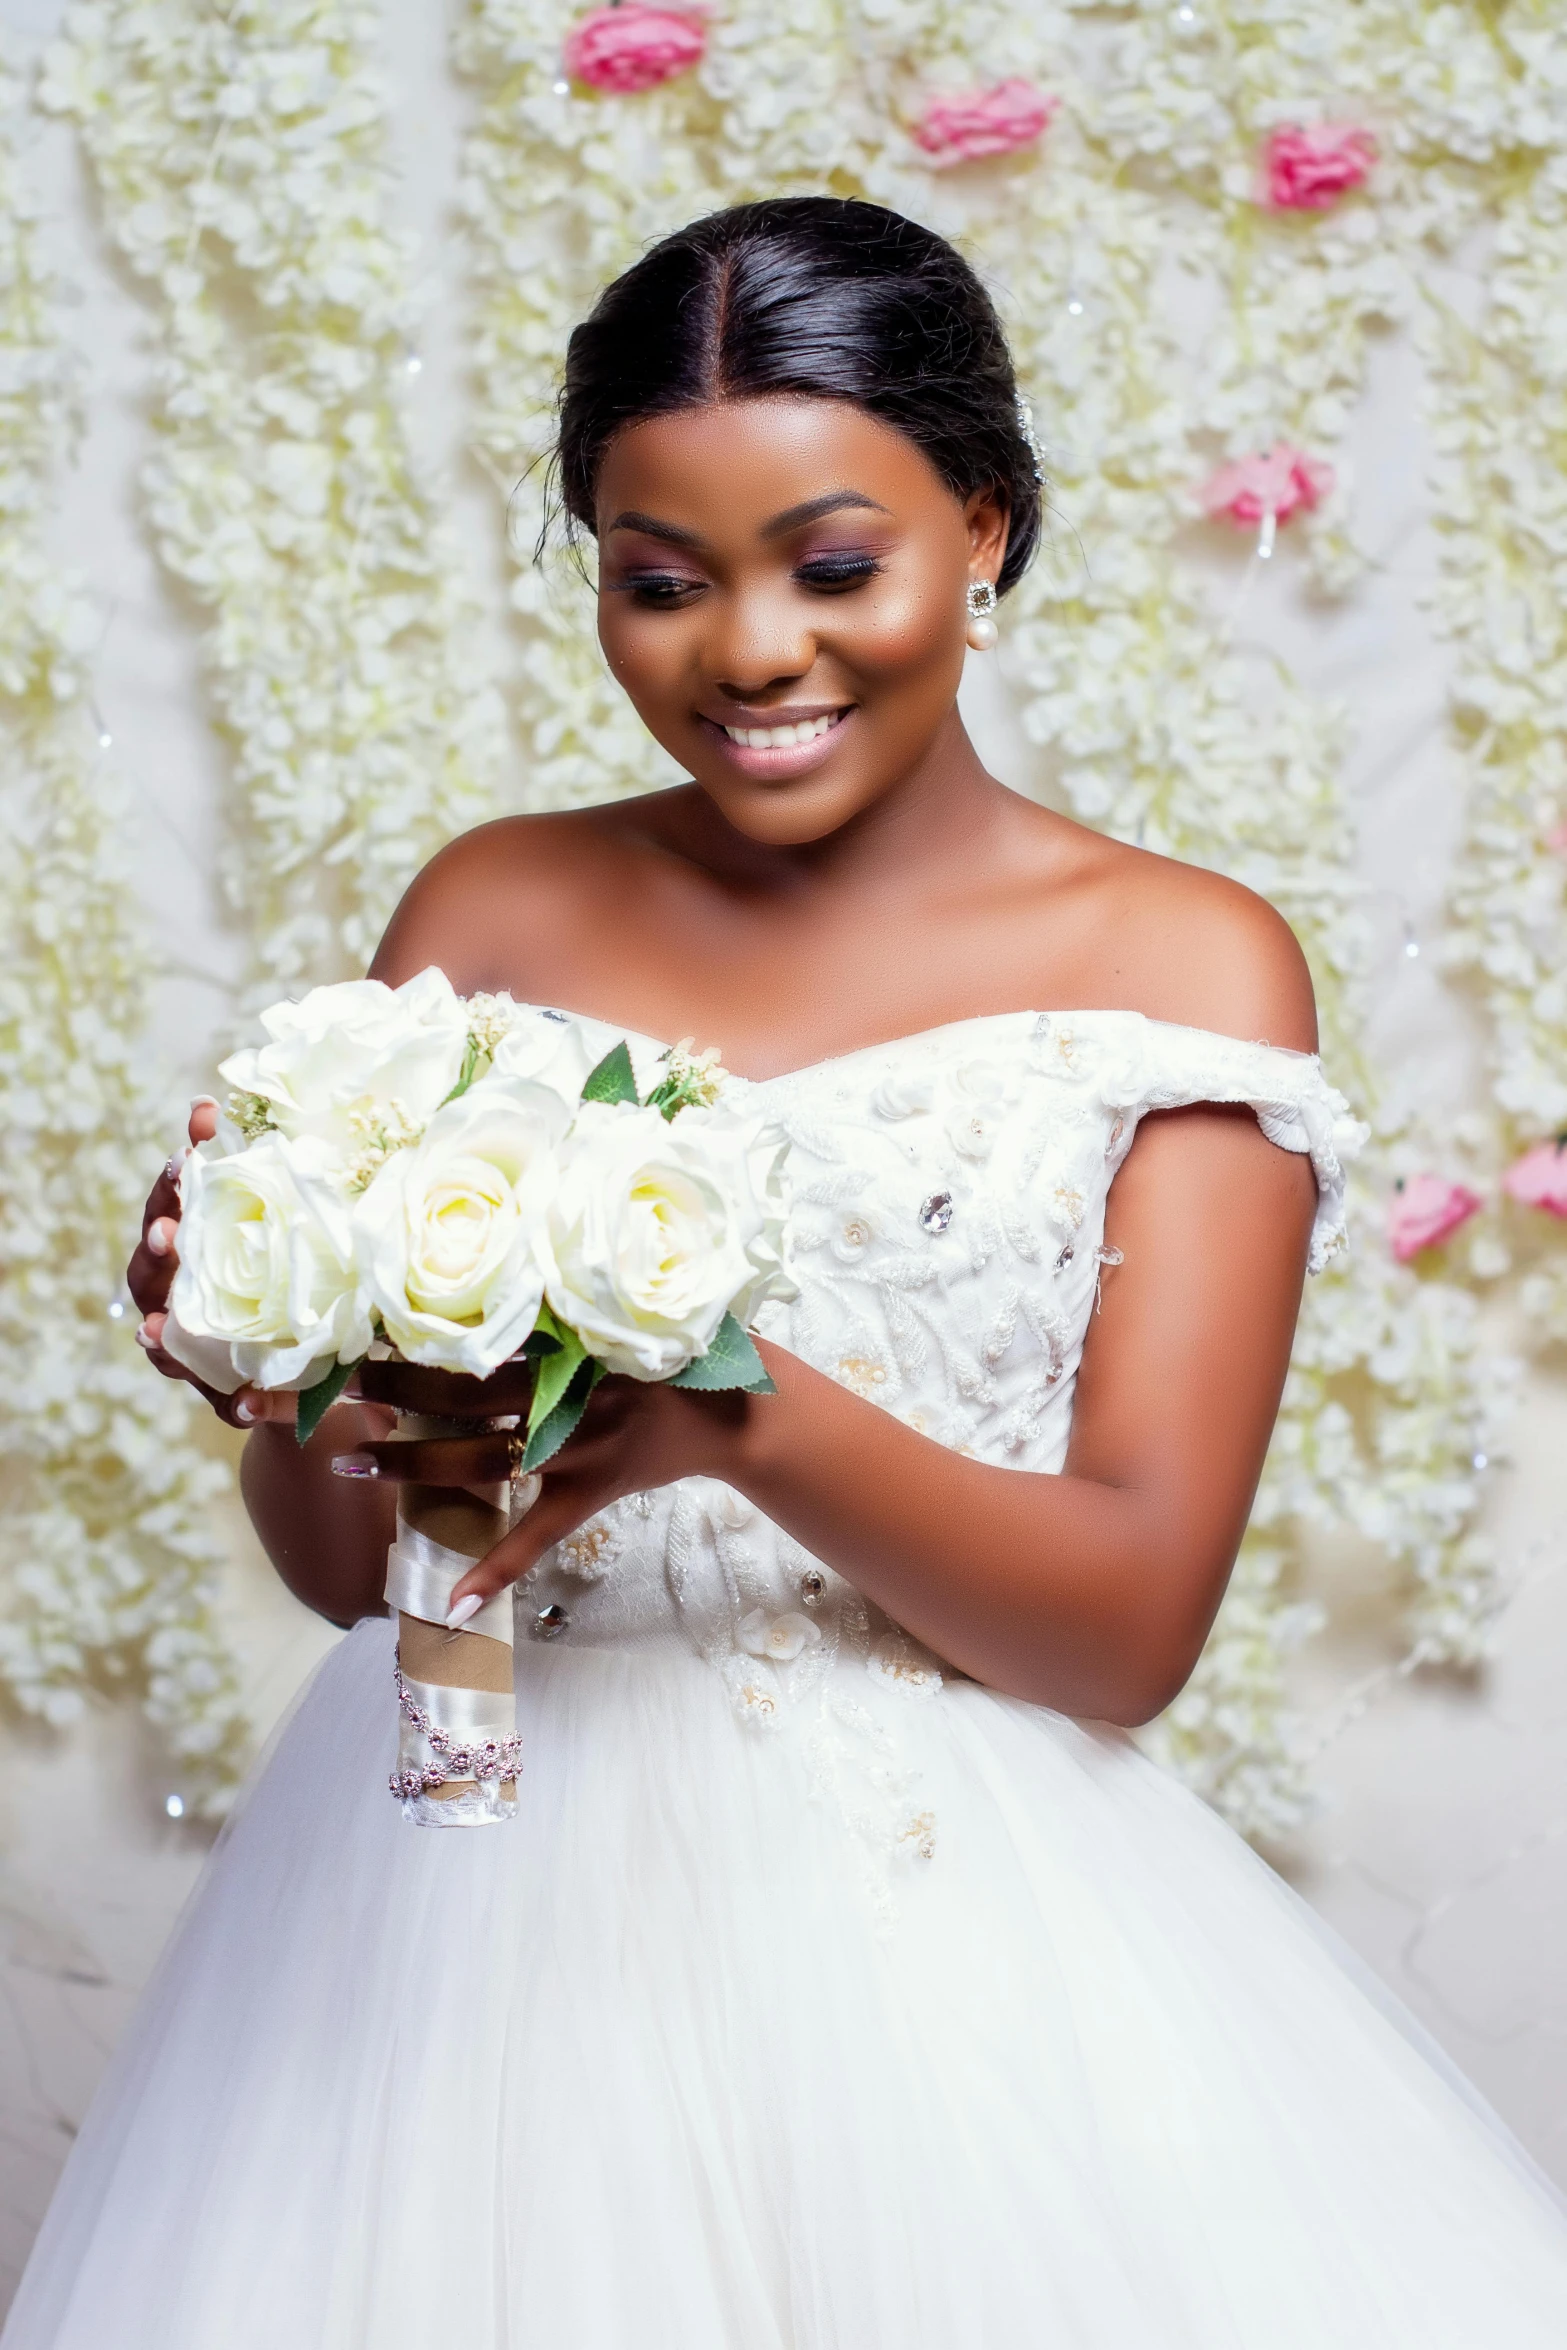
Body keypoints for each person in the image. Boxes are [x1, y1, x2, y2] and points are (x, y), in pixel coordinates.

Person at [8, 197, 1566, 2348]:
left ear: (987, 530)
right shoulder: (494, 904)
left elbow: (1125, 1624)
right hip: (453, 1906)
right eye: (660, 582)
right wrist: (272, 1367)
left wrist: (730, 1412)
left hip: (942, 1944)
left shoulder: (1181, 967)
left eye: (835, 563)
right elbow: (368, 1564)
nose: (748, 650)